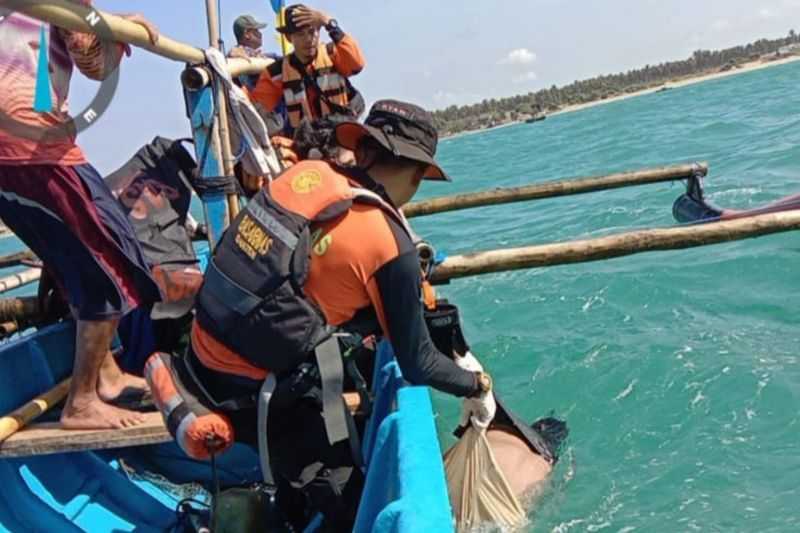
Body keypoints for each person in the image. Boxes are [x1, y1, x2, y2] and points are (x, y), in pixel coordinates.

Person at [184, 100, 495, 530]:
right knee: (345, 493)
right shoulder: (390, 244)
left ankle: (288, 505)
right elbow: (418, 363)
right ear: (418, 174)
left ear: (363, 149)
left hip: (199, 350)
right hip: (252, 394)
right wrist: (476, 386)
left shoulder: (303, 176)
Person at [0, 4, 163, 429]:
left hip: (37, 144)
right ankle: (82, 400)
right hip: (25, 147)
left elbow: (91, 63)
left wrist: (113, 32)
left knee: (80, 259)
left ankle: (104, 375)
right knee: (107, 260)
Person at [248, 4, 366, 137]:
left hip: (342, 135)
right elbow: (254, 108)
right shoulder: (276, 73)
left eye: (312, 32)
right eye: (300, 34)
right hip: (308, 143)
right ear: (288, 37)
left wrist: (329, 23)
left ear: (319, 32)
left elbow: (357, 64)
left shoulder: (333, 54)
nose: (308, 39)